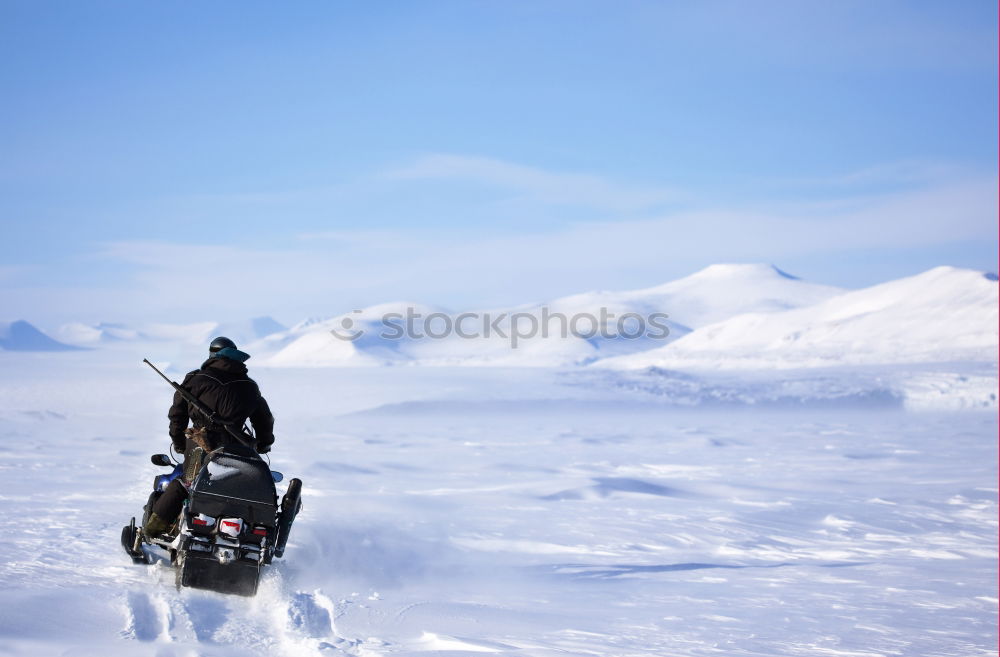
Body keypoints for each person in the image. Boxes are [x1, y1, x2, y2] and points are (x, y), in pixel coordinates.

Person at [143, 336, 275, 538]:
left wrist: (179, 444)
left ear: (212, 355)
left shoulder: (196, 379)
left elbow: (177, 416)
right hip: (238, 448)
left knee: (186, 485)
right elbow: (264, 420)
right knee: (235, 490)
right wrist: (264, 444)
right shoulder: (249, 386)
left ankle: (153, 530)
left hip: (199, 446)